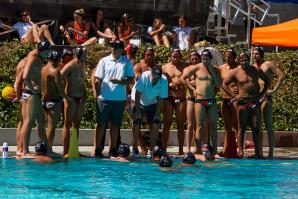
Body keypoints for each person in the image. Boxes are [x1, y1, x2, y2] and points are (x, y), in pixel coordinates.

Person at [222, 52, 269, 158]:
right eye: (241, 61)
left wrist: (262, 93)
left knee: (256, 127)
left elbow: (267, 80)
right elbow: (224, 84)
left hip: (254, 102)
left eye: (245, 60)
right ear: (239, 62)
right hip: (242, 103)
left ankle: (258, 153)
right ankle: (240, 152)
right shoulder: (235, 72)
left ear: (249, 60)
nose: (244, 63)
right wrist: (234, 95)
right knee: (241, 128)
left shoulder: (256, 70)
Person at [93, 40, 134, 158]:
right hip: (104, 98)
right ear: (113, 49)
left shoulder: (126, 62)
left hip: (119, 99)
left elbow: (131, 79)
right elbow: (97, 79)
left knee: (115, 125)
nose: (120, 51)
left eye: (121, 49)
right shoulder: (104, 61)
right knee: (101, 124)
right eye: (117, 49)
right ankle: (97, 149)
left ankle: (112, 149)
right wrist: (98, 95)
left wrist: (120, 82)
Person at [180, 49, 222, 157]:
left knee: (213, 126)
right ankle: (198, 150)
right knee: (199, 126)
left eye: (207, 59)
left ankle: (215, 151)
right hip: (199, 100)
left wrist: (212, 71)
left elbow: (219, 83)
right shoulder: (197, 68)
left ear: (211, 59)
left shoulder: (216, 69)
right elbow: (182, 78)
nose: (204, 61)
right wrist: (192, 88)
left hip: (211, 100)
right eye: (203, 59)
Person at [19, 40, 52, 157]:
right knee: (28, 122)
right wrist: (33, 89)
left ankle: (48, 150)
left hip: (36, 95)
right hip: (32, 94)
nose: (48, 54)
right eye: (47, 51)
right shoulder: (33, 57)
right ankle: (24, 151)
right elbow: (25, 76)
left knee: (41, 123)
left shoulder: (37, 58)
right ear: (43, 50)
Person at [252, 46, 285, 158]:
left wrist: (274, 90)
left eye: (256, 53)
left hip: (266, 97)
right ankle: (259, 153)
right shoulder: (252, 67)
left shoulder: (269, 64)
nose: (254, 55)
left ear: (261, 54)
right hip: (256, 98)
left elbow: (281, 76)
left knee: (268, 125)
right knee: (257, 126)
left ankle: (270, 153)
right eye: (253, 53)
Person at [131, 66, 168, 158]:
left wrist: (157, 114)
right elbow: (137, 94)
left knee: (156, 123)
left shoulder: (164, 80)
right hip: (138, 100)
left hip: (152, 102)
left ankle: (151, 150)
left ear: (160, 76)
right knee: (136, 121)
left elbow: (160, 99)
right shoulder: (144, 76)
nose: (155, 78)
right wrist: (138, 111)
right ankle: (135, 148)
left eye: (157, 76)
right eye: (154, 76)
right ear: (151, 74)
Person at [60, 47, 87, 157]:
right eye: (85, 53)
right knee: (67, 124)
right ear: (78, 54)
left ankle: (74, 150)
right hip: (71, 97)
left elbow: (82, 81)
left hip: (80, 98)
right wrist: (64, 95)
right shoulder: (70, 65)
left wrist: (85, 94)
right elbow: (59, 77)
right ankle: (65, 152)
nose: (86, 55)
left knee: (77, 124)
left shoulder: (83, 64)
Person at [162, 49, 187, 155]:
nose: (175, 59)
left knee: (180, 124)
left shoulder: (185, 66)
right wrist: (169, 85)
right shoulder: (165, 67)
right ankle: (163, 149)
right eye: (173, 56)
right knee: (167, 123)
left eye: (177, 57)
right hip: (169, 97)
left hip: (180, 97)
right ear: (170, 57)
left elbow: (189, 80)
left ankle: (181, 150)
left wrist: (180, 84)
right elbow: (161, 82)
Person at [41, 50, 67, 149]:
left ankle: (46, 148)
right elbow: (60, 90)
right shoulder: (54, 71)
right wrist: (67, 98)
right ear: (55, 59)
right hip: (54, 102)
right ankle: (48, 149)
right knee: (51, 127)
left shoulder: (43, 69)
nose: (60, 62)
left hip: (44, 101)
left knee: (47, 126)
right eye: (59, 60)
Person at [219, 48, 239, 158]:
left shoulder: (238, 68)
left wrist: (239, 91)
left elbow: (244, 81)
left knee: (236, 125)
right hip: (224, 98)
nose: (227, 58)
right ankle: (226, 149)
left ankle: (238, 150)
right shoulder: (221, 68)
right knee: (227, 125)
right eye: (226, 56)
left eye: (230, 56)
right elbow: (219, 83)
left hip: (235, 99)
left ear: (234, 57)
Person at [183, 51, 201, 153]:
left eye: (196, 59)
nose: (194, 61)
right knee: (190, 125)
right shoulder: (187, 69)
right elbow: (183, 80)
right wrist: (192, 86)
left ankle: (197, 148)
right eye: (192, 59)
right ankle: (188, 149)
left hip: (200, 99)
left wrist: (191, 82)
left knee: (199, 125)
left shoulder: (202, 69)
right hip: (190, 98)